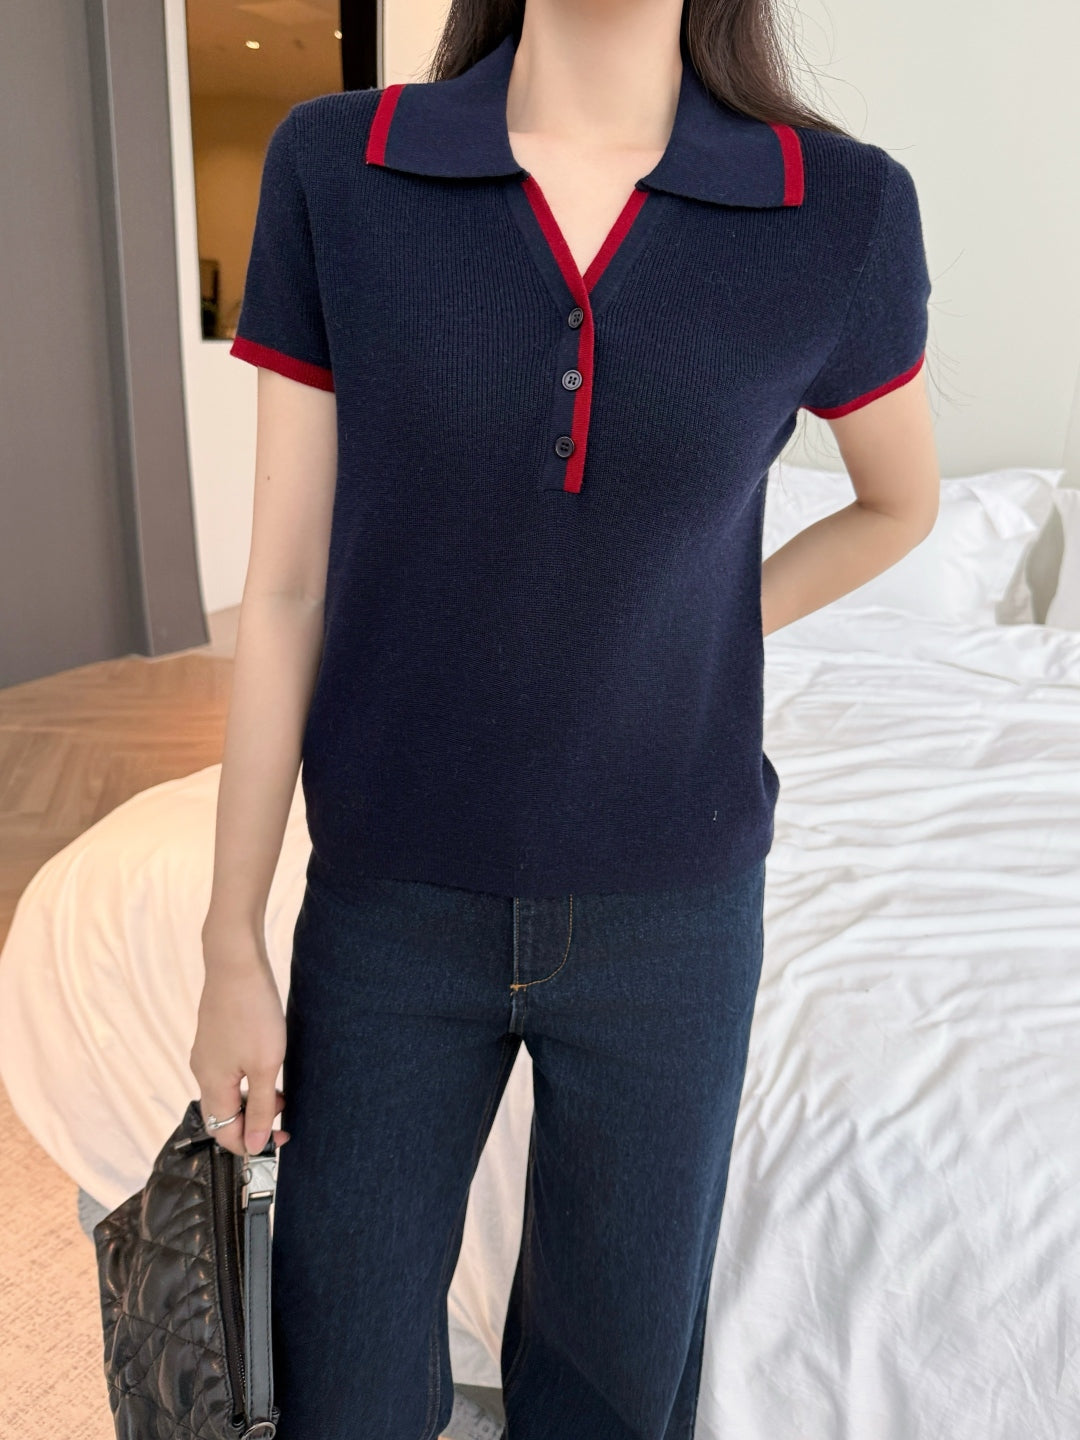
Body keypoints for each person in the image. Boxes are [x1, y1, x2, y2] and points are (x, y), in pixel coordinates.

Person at [190, 0, 940, 1436]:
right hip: (389, 899)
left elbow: (900, 505)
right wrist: (232, 939)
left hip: (675, 910)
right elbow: (283, 589)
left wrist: (694, 618)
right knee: (338, 1383)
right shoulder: (341, 168)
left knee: (613, 1394)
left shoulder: (839, 209)